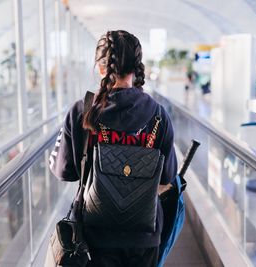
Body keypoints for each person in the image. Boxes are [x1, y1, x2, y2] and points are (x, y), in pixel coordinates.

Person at [51, 30, 177, 267]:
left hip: (94, 234)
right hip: (144, 235)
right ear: (136, 67)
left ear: (101, 68)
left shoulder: (82, 111)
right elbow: (168, 177)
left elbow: (64, 171)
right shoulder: (160, 115)